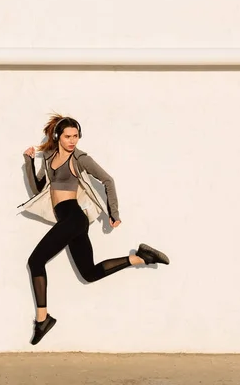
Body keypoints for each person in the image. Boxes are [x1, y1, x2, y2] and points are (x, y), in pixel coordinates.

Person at [18, 114, 170, 345]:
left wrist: (114, 213)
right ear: (58, 136)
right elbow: (38, 187)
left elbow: (108, 180)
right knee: (89, 272)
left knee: (35, 262)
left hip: (73, 217)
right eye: (68, 136)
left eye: (76, 136)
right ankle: (141, 257)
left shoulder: (80, 159)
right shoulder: (49, 157)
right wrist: (29, 162)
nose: (72, 141)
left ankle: (42, 319)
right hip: (68, 221)